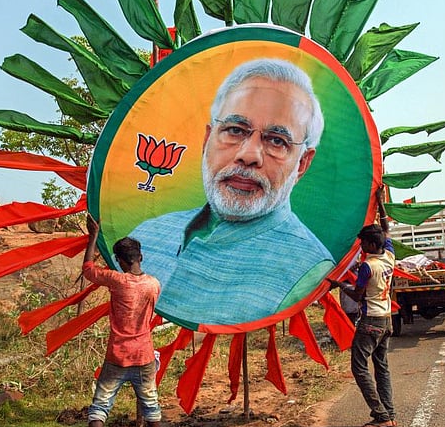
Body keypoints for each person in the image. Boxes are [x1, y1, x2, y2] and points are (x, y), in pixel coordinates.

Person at [130, 58, 335, 328]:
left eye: (277, 141)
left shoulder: (310, 268)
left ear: (302, 164)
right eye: (235, 131)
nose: (249, 155)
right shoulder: (147, 235)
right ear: (207, 141)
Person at [80, 215, 163, 427]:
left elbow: (88, 268)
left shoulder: (117, 281)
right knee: (150, 405)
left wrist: (93, 236)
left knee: (99, 407)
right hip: (144, 356)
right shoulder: (153, 284)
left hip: (117, 356)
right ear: (140, 256)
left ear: (120, 261)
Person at [328, 188, 396, 427]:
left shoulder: (367, 267)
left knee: (359, 367)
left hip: (370, 321)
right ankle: (389, 413)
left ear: (369, 244)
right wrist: (380, 204)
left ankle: (380, 414)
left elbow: (357, 295)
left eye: (363, 242)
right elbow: (386, 229)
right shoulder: (389, 256)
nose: (361, 245)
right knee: (382, 367)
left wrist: (339, 284)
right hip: (386, 319)